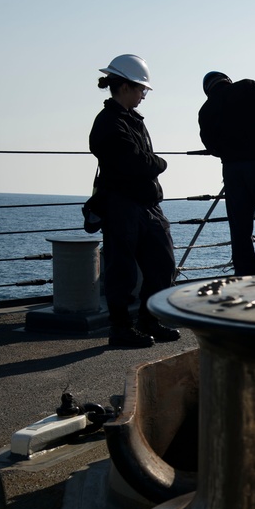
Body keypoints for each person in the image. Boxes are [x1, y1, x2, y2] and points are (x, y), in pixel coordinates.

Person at [90, 54, 180, 348]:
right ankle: (121, 328)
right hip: (122, 206)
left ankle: (148, 320)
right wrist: (159, 163)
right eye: (142, 89)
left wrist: (150, 163)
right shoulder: (108, 124)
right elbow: (138, 163)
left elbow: (138, 161)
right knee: (122, 271)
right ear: (125, 87)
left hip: (145, 206)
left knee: (162, 264)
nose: (144, 94)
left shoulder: (129, 121)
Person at [198, 54, 255, 276]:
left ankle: (244, 273)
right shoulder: (245, 86)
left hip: (232, 171)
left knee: (240, 227)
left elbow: (210, 145)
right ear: (227, 80)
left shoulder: (205, 110)